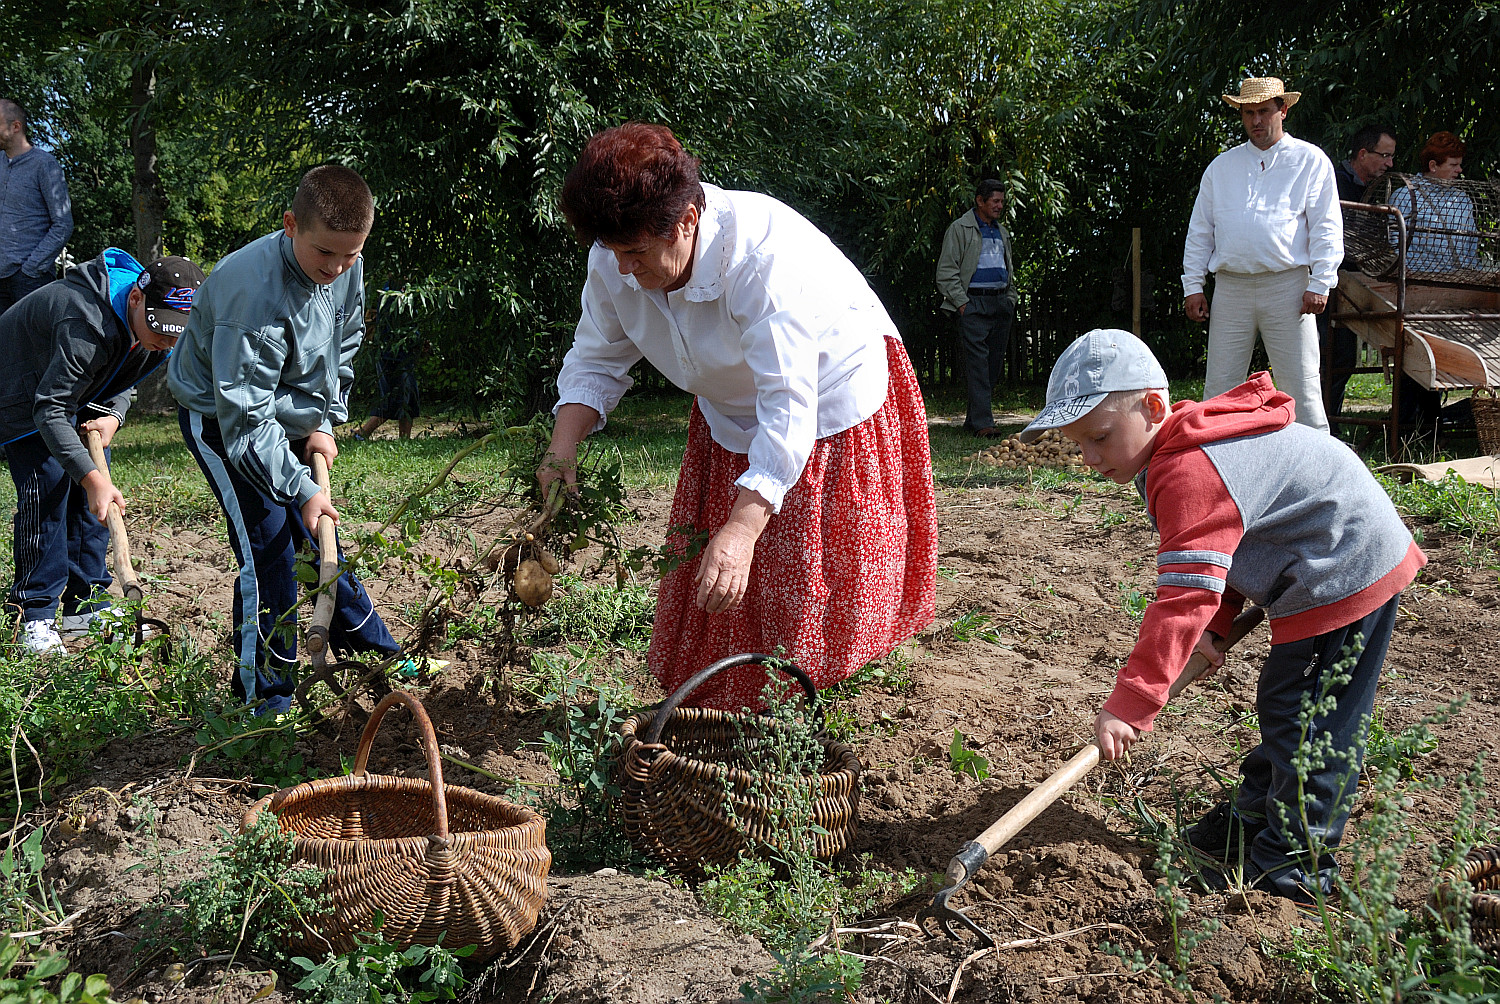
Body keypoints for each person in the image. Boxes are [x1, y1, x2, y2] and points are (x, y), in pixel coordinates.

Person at [541, 122, 937, 710]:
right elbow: (597, 357)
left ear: (687, 222)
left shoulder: (760, 257)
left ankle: (803, 705)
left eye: (636, 254)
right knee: (720, 577)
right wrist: (561, 449)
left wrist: (743, 528)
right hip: (728, 405)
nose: (622, 268)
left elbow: (787, 404)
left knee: (792, 575)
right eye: (611, 251)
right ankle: (733, 698)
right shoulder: (616, 256)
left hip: (826, 393)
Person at [1021, 328, 1424, 903]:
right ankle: (1256, 817)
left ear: (1153, 407)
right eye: (1077, 443)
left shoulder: (1187, 470)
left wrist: (1132, 702)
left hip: (1342, 565)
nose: (1088, 458)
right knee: (1290, 704)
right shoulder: (1176, 451)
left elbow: (1183, 596)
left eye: (1099, 437)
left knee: (1307, 718)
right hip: (1320, 558)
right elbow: (1228, 544)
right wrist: (1215, 628)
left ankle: (1293, 866)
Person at [168, 165, 401, 714]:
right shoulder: (252, 297)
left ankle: (373, 648)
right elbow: (246, 422)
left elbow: (346, 336)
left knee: (318, 540)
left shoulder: (345, 260)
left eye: (351, 255)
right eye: (326, 254)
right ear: (290, 224)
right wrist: (301, 489)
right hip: (222, 421)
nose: (339, 267)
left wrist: (325, 419)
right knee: (270, 549)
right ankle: (264, 698)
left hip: (288, 411)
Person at [1, 249, 203, 653]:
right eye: (160, 329)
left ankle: (85, 608)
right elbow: (50, 407)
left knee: (95, 506)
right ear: (135, 298)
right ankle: (33, 616)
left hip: (76, 399)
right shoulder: (84, 320)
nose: (165, 341)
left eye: (175, 333)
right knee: (50, 494)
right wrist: (90, 477)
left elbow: (123, 370)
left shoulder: (151, 323)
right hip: (22, 398)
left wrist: (114, 414)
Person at [1183, 77, 1343, 434]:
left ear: (1282, 111)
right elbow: (1200, 232)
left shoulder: (1309, 160)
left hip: (1289, 286)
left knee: (1300, 385)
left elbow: (1326, 226)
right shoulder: (1220, 168)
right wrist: (1193, 285)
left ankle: (1315, 471)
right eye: (1248, 112)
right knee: (1219, 387)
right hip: (1231, 287)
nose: (1256, 120)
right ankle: (1213, 467)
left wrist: (1321, 282)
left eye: (1264, 111)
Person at [1321, 125, 1397, 433]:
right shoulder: (1332, 183)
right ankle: (1319, 427)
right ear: (1363, 154)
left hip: (1357, 285)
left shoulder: (1380, 190)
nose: (1389, 164)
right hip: (1325, 284)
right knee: (1325, 357)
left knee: (1342, 359)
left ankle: (1331, 423)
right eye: (1384, 155)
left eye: (1392, 157)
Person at [936, 179, 1018, 437]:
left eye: (1002, 201)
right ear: (979, 201)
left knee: (993, 366)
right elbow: (946, 272)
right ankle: (984, 424)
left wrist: (1010, 299)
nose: (999, 206)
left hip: (1000, 302)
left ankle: (974, 420)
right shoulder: (960, 229)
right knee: (978, 365)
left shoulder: (1002, 232)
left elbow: (1009, 270)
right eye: (995, 201)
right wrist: (962, 304)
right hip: (973, 303)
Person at [0, 99, 74, 315]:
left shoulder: (45, 165)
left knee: (31, 346)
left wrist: (32, 268)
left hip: (30, 280)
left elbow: (63, 223)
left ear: (15, 126)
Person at [1390, 132, 1478, 274]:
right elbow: (1394, 244)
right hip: (1417, 281)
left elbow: (1471, 246)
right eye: (1453, 165)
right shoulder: (1405, 196)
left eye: (1460, 165)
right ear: (1433, 166)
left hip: (1459, 281)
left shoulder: (1462, 199)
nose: (1459, 170)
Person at [354, 281, 421, 441]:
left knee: (407, 397)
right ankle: (362, 433)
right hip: (390, 354)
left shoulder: (410, 288)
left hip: (404, 353)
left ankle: (404, 438)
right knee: (392, 398)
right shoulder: (388, 292)